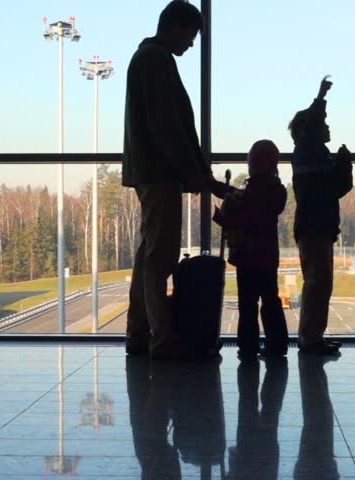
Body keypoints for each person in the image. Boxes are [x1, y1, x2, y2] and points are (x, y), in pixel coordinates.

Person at [122, 1, 211, 360]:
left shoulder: (149, 58)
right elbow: (167, 123)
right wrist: (190, 169)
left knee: (149, 257)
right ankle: (161, 339)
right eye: (190, 35)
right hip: (160, 173)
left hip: (151, 171)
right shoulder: (155, 60)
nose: (191, 44)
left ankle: (140, 333)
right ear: (175, 26)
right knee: (160, 260)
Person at [289, 77, 353, 355]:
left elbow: (336, 188)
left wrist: (343, 166)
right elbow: (335, 188)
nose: (327, 128)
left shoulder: (315, 155)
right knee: (317, 283)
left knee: (320, 284)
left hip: (318, 225)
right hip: (315, 225)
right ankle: (310, 338)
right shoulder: (308, 150)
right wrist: (320, 96)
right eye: (323, 125)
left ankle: (313, 336)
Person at [211, 140, 289, 360]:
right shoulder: (276, 192)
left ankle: (248, 347)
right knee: (270, 301)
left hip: (246, 256)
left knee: (247, 304)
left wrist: (222, 213)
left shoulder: (248, 193)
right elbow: (251, 205)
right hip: (267, 256)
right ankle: (276, 344)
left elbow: (240, 211)